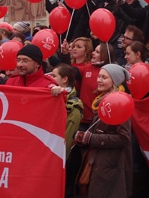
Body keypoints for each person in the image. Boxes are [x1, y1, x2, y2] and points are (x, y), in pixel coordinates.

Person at [73, 64, 132, 198]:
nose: (99, 80)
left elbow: (123, 137)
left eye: (104, 77)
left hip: (111, 166)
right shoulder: (101, 101)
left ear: (115, 81)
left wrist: (91, 138)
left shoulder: (120, 103)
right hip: (99, 163)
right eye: (99, 76)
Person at [50, 64, 83, 159]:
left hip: (57, 155)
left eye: (54, 76)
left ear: (64, 79)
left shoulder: (74, 105)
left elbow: (68, 137)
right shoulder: (50, 95)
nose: (51, 79)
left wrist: (59, 157)